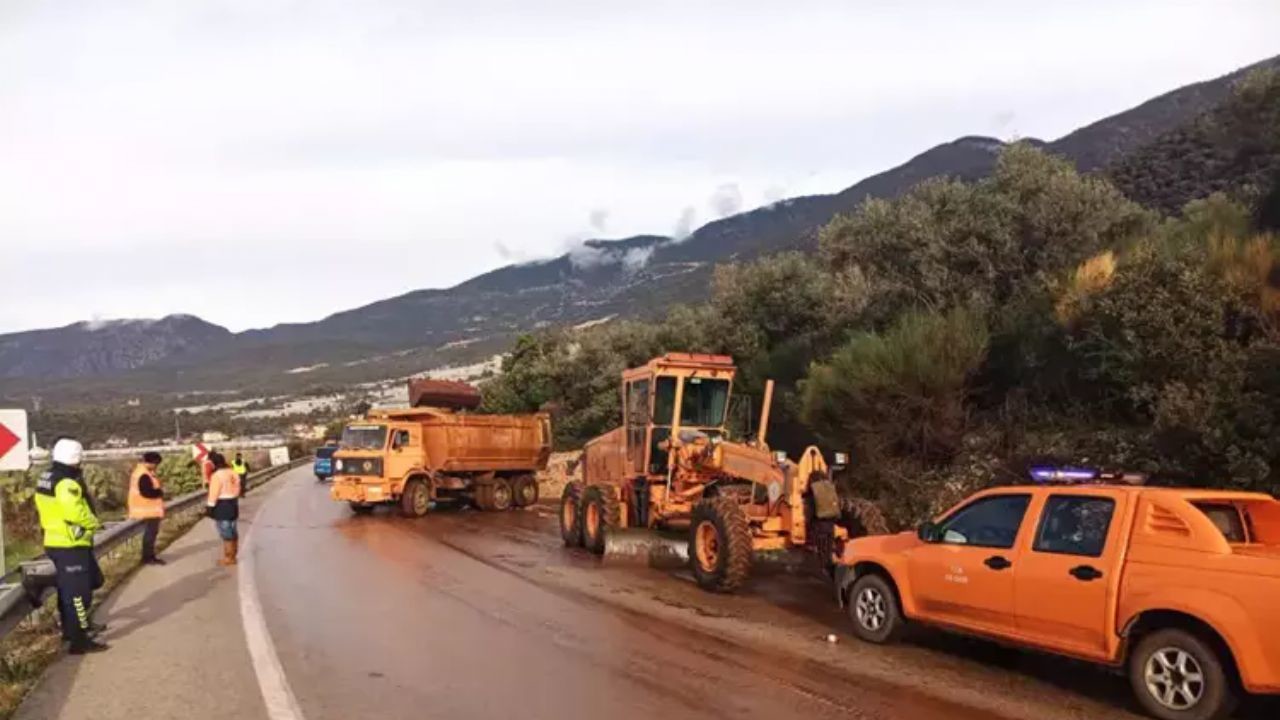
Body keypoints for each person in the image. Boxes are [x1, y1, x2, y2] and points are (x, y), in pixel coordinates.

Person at [34, 438, 109, 654]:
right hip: (70, 544)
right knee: (78, 596)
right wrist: (94, 523)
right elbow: (74, 512)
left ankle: (72, 631)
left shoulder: (47, 477)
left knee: (81, 586)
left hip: (57, 540)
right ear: (76, 457)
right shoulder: (66, 482)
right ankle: (79, 641)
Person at [128, 451, 166, 565]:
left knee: (150, 534)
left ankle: (149, 556)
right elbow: (147, 492)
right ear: (151, 462)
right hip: (147, 509)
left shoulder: (142, 472)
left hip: (146, 509)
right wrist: (160, 492)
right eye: (156, 464)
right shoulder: (144, 475)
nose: (156, 466)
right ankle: (148, 558)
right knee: (150, 535)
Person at [206, 452, 241, 566]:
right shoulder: (232, 472)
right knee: (233, 530)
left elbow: (214, 492)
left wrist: (210, 507)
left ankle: (228, 557)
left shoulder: (217, 475)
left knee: (226, 533)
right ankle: (233, 556)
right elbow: (238, 487)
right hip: (233, 503)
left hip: (222, 505)